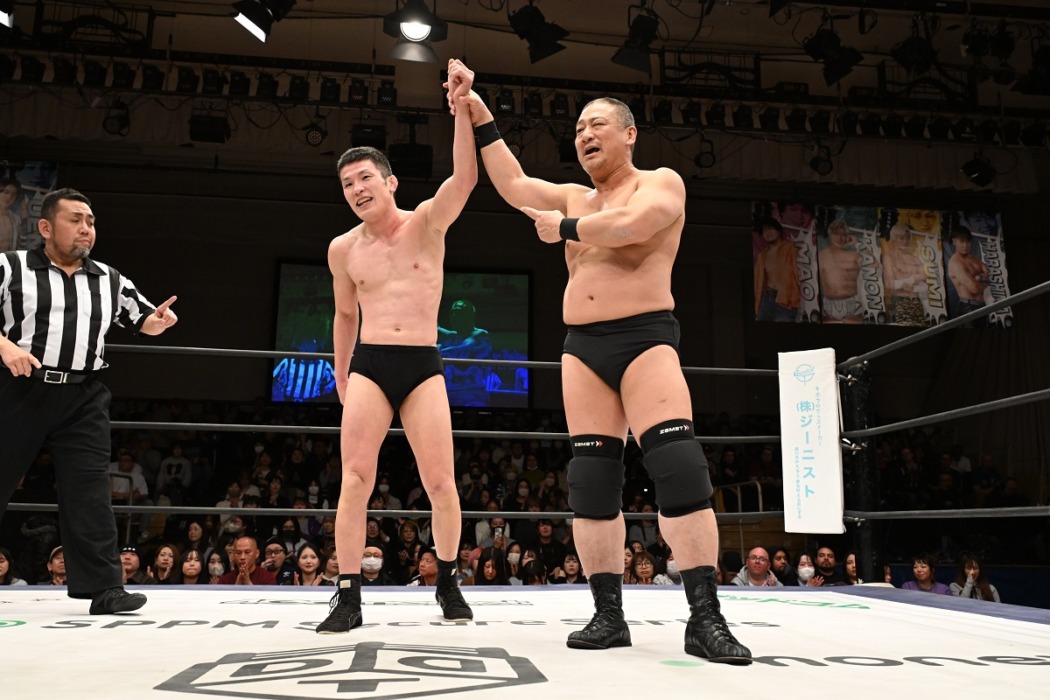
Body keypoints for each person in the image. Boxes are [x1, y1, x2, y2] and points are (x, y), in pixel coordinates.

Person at [449, 59, 750, 664]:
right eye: (579, 129)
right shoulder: (574, 194)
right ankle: (608, 615)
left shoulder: (660, 182)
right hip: (582, 348)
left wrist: (566, 227)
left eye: (597, 125)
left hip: (645, 338)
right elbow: (512, 184)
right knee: (590, 481)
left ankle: (705, 618)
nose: (584, 135)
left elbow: (634, 226)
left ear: (629, 134)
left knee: (679, 468)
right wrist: (478, 114)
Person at [315, 60, 477, 634]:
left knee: (441, 483)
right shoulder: (342, 249)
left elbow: (464, 180)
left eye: (365, 178)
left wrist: (461, 109)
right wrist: (341, 374)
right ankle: (348, 594)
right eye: (347, 184)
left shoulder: (426, 224)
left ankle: (448, 581)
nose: (356, 189)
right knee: (355, 479)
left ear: (390, 183)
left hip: (422, 363)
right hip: (370, 363)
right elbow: (344, 314)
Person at [0, 188, 178, 614]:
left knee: (90, 491)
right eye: (75, 219)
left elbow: (142, 319)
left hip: (83, 395)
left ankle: (104, 588)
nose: (86, 229)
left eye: (91, 222)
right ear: (46, 227)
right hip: (20, 386)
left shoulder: (108, 278)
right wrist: (4, 346)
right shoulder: (10, 266)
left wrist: (159, 322)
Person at [437, 299, 493, 406]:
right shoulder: (452, 337)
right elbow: (436, 328)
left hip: (473, 393)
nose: (453, 316)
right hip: (450, 393)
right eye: (452, 313)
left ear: (469, 315)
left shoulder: (481, 335)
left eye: (458, 312)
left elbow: (466, 346)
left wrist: (441, 351)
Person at [754, 217, 801, 322]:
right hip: (767, 299)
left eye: (770, 228)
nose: (767, 233)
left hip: (786, 301)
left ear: (779, 231)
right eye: (764, 230)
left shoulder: (790, 248)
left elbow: (799, 274)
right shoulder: (762, 255)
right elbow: (758, 282)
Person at [818, 218, 864, 324]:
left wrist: (857, 244)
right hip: (828, 306)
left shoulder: (854, 256)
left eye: (843, 235)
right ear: (830, 233)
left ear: (848, 236)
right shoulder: (821, 256)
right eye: (836, 234)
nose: (840, 238)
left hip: (852, 304)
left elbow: (874, 265)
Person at [882, 223, 927, 326]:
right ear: (894, 239)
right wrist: (911, 279)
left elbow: (925, 282)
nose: (905, 241)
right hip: (899, 301)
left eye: (907, 238)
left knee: (920, 330)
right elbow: (889, 284)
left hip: (916, 301)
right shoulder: (889, 257)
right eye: (901, 238)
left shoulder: (915, 258)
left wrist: (914, 288)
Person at [946, 226, 990, 318]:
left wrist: (979, 278)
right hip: (968, 308)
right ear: (954, 241)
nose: (965, 245)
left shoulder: (974, 259)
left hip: (983, 306)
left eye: (968, 241)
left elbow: (989, 273)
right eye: (962, 241)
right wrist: (984, 279)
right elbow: (974, 288)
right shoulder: (955, 263)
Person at [0, 177, 22, 252]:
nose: (9, 197)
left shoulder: (16, 219)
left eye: (13, 194)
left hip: (7, 258)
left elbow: (19, 245)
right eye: (6, 192)